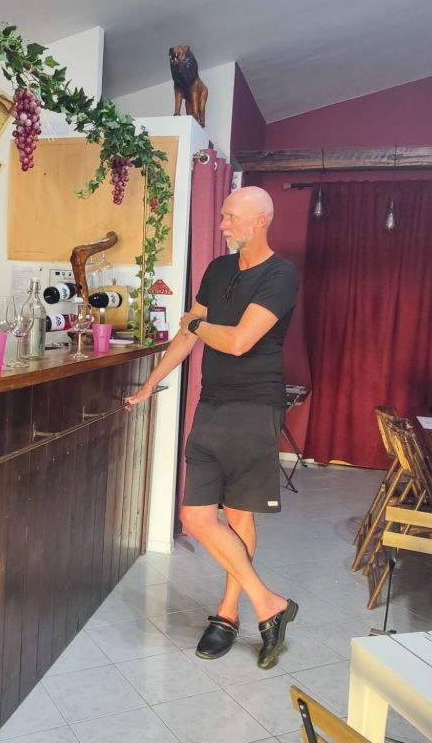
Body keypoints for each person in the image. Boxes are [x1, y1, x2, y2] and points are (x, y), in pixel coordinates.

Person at [124, 186, 299, 669]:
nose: (222, 224)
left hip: (254, 406)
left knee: (238, 517)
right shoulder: (218, 269)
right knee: (197, 517)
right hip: (213, 402)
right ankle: (269, 602)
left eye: (230, 217)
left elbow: (239, 341)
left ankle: (228, 613)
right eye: (221, 215)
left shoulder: (281, 275)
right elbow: (187, 336)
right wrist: (150, 384)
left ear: (260, 221)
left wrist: (198, 325)